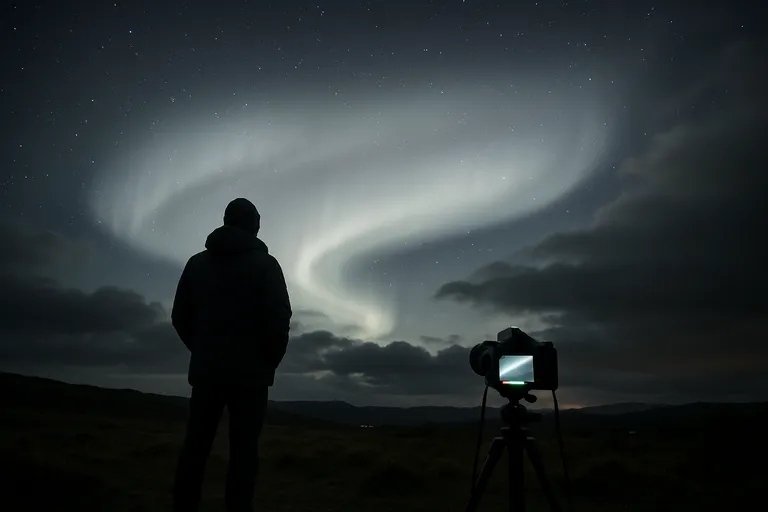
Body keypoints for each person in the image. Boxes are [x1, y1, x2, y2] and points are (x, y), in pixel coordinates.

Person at [171, 197, 292, 512]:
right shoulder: (267, 265)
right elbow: (279, 320)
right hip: (251, 378)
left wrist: (202, 350)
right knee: (244, 452)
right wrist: (267, 361)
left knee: (195, 447)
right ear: (254, 225)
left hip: (207, 372)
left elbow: (179, 316)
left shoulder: (197, 264)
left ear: (226, 221)